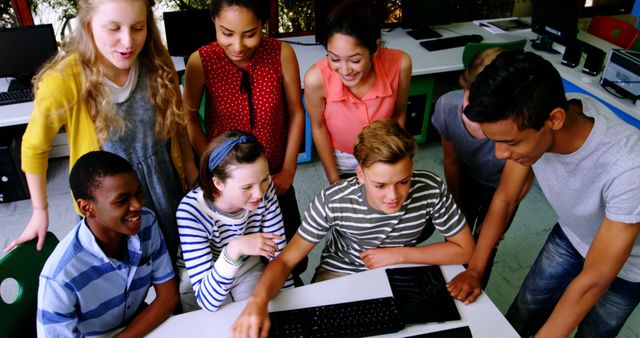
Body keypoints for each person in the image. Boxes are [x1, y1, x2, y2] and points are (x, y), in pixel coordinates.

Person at [230, 119, 475, 338]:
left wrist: (399, 254)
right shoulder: (333, 200)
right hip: (340, 271)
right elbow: (285, 261)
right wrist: (257, 301)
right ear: (360, 174)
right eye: (380, 185)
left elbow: (464, 249)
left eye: (404, 181)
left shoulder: (430, 188)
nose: (393, 196)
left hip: (400, 271)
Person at [461, 51, 640, 337]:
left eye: (509, 142)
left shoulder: (629, 166)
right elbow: (506, 198)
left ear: (554, 120)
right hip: (572, 234)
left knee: (594, 332)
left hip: (630, 266)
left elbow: (594, 280)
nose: (500, 154)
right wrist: (475, 269)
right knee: (525, 311)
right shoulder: (531, 116)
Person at [5, 0, 197, 264]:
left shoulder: (156, 59)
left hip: (164, 185)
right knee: (122, 278)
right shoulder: (65, 78)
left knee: (172, 266)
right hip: (109, 200)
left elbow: (177, 123)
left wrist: (189, 165)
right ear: (88, 26)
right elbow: (34, 147)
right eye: (113, 28)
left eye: (138, 27)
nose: (128, 42)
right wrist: (39, 210)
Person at [182, 0, 306, 283]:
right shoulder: (201, 61)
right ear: (213, 21)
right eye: (226, 32)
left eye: (250, 33)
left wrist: (289, 169)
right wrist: (211, 165)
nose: (238, 45)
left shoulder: (281, 53)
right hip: (227, 185)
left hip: (274, 176)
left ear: (263, 24)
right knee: (235, 263)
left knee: (291, 258)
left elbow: (297, 113)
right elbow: (188, 117)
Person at [37, 151, 178, 337]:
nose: (137, 205)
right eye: (122, 200)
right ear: (87, 208)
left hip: (135, 325)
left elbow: (169, 298)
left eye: (138, 193)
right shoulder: (60, 276)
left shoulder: (146, 222)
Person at [431, 47, 532, 288]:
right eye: (469, 98)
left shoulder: (520, 127)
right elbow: (452, 162)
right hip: (466, 178)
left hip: (504, 188)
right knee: (457, 238)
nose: (472, 115)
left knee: (485, 246)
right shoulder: (447, 107)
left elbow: (509, 195)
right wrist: (458, 208)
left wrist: (488, 238)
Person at [176, 130, 293, 312]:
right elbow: (208, 302)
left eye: (264, 179)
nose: (260, 193)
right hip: (203, 282)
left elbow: (279, 257)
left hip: (247, 265)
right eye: (246, 187)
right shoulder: (190, 211)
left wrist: (290, 308)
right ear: (218, 183)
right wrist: (234, 249)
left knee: (266, 315)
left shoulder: (264, 185)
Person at [304, 0, 412, 184]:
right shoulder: (315, 79)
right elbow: (318, 127)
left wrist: (394, 157)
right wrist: (333, 177)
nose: (345, 70)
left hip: (385, 153)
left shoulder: (401, 64)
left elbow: (399, 113)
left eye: (355, 60)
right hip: (340, 159)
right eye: (334, 59)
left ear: (375, 49)